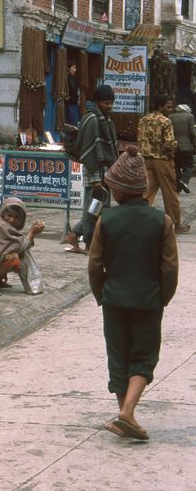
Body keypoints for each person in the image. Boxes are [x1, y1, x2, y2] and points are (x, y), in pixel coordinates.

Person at [87, 146, 178, 441]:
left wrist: (102, 295)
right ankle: (127, 413)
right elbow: (169, 268)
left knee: (118, 357)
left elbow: (94, 265)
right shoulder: (161, 221)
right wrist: (161, 298)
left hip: (114, 300)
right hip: (148, 300)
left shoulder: (107, 219)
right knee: (143, 357)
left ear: (122, 190)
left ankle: (125, 413)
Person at [63, 85, 118, 254]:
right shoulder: (92, 119)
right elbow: (90, 149)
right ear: (97, 102)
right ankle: (88, 243)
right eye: (106, 103)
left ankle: (74, 235)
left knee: (101, 208)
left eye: (111, 103)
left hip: (105, 170)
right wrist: (94, 179)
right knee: (92, 209)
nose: (109, 106)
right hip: (93, 170)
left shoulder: (105, 119)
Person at [137, 94, 188, 234]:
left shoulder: (143, 119)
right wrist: (176, 146)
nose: (170, 109)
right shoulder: (166, 121)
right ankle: (176, 224)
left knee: (146, 193)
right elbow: (169, 143)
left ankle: (138, 220)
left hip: (146, 160)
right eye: (168, 106)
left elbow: (140, 140)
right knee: (170, 193)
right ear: (160, 106)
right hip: (163, 160)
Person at [169, 102, 195, 195]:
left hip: (174, 146)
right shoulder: (190, 117)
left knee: (176, 165)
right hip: (186, 146)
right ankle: (183, 181)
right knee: (189, 165)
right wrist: (193, 143)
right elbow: (192, 132)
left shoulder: (171, 117)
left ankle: (178, 186)